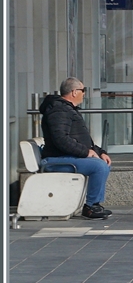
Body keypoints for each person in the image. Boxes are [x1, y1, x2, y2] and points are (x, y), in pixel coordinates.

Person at [38, 78, 113, 219]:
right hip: (56, 160)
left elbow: (83, 140)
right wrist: (86, 152)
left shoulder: (66, 109)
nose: (84, 94)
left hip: (65, 157)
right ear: (74, 92)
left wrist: (100, 152)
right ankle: (91, 206)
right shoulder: (59, 110)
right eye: (83, 90)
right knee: (99, 167)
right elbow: (61, 139)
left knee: (104, 164)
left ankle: (94, 204)